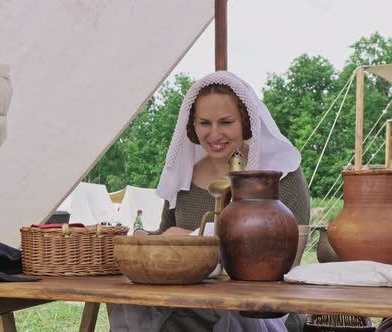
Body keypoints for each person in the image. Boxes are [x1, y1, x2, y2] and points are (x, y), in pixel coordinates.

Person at [112, 71, 310, 332]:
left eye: (226, 122)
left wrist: (194, 238)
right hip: (187, 301)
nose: (214, 134)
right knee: (129, 305)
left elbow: (289, 263)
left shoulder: (281, 174)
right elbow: (166, 234)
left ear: (246, 122)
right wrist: (145, 238)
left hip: (261, 308)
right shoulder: (183, 178)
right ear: (192, 126)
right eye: (204, 123)